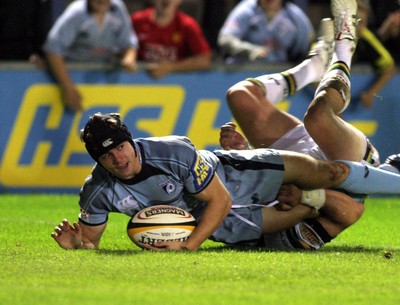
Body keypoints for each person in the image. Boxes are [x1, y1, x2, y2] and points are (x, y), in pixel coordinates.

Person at [51, 109, 400, 252]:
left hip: (238, 173)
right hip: (221, 224)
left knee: (331, 173)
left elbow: (220, 200)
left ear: (130, 140)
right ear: (98, 161)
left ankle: (393, 176)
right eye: (108, 157)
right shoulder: (97, 190)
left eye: (122, 148)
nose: (119, 159)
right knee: (320, 208)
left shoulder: (170, 151)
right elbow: (91, 241)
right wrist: (77, 243)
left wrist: (188, 247)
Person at [219, 0, 399, 250]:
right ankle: (344, 45)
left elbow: (253, 185)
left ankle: (312, 66)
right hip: (346, 167)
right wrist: (308, 196)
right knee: (318, 116)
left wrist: (245, 152)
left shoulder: (220, 216)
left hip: (292, 165)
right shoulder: (278, 230)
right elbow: (352, 211)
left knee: (239, 95)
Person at [42, 0, 139, 112]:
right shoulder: (77, 13)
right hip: (73, 77)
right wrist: (68, 88)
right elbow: (53, 49)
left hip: (104, 83)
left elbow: (129, 43)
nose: (102, 1)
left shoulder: (118, 8)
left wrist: (129, 59)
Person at [131, 0, 212, 79]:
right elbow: (124, 49)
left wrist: (172, 67)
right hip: (136, 82)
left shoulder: (188, 25)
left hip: (176, 84)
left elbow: (204, 60)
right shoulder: (137, 21)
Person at [217, 0, 314, 64]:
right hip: (243, 72)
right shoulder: (246, 10)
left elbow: (308, 46)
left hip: (279, 75)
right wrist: (249, 50)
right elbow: (225, 39)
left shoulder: (295, 16)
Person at [352, 0, 396, 108]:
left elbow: (389, 68)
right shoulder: (330, 37)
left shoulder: (366, 38)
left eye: (362, 23)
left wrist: (370, 93)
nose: (358, 28)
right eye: (355, 23)